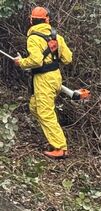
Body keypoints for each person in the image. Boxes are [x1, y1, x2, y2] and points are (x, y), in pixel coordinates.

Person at [12, 7, 74, 159]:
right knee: (35, 107)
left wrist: (21, 62)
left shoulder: (33, 38)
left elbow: (36, 61)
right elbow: (67, 58)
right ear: (47, 20)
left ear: (31, 20)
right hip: (55, 77)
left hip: (44, 79)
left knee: (45, 113)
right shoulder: (56, 36)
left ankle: (60, 148)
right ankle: (53, 136)